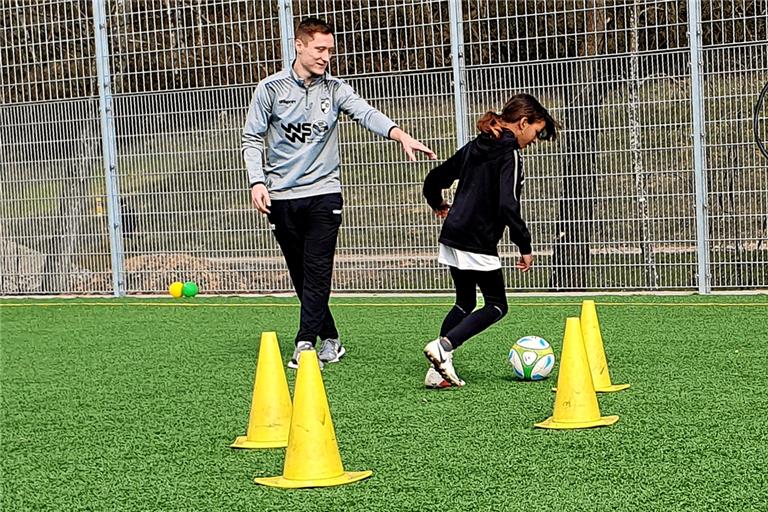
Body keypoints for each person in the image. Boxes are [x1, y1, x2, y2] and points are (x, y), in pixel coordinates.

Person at [243, 17, 436, 369]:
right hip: (281, 197)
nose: (326, 57)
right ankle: (330, 337)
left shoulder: (334, 89)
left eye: (330, 51)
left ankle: (305, 343)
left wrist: (400, 135)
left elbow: (366, 113)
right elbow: (252, 138)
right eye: (319, 49)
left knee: (317, 269)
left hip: (324, 194)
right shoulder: (270, 89)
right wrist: (257, 181)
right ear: (299, 45)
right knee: (301, 273)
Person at [421, 94, 560, 388]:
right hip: (476, 240)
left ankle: (437, 372)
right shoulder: (509, 153)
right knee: (496, 305)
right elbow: (508, 206)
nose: (534, 140)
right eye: (535, 131)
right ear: (523, 122)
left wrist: (437, 202)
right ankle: (443, 347)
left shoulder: (476, 145)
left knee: (465, 302)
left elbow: (435, 177)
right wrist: (524, 245)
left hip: (453, 234)